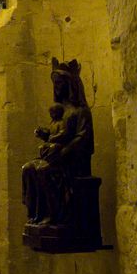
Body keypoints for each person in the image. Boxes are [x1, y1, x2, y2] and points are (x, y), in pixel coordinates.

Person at [21, 59, 94, 225]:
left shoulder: (80, 111)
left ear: (70, 85)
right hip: (57, 157)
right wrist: (45, 135)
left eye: (60, 83)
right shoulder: (60, 111)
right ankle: (37, 213)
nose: (57, 87)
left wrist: (63, 151)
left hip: (73, 161)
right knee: (28, 169)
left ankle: (55, 215)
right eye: (56, 84)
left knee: (43, 171)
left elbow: (82, 138)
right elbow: (57, 135)